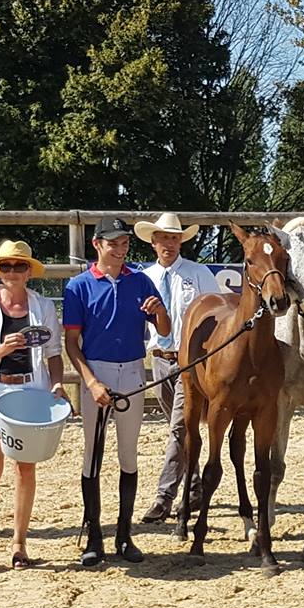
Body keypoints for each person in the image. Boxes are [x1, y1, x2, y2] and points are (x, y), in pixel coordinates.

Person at [63, 217, 171, 566]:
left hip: (133, 370)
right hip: (97, 369)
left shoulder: (140, 281)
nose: (120, 250)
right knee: (92, 457)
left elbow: (164, 329)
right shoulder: (78, 286)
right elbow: (71, 342)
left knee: (128, 453)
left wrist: (160, 311)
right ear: (97, 244)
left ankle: (124, 534)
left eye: (124, 244)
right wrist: (91, 382)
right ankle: (94, 534)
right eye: (113, 244)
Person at [0, 240, 67, 575]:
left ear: (28, 272)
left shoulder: (43, 306)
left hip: (31, 392)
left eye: (19, 266)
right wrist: (1, 350)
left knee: (25, 468)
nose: (12, 272)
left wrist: (57, 383)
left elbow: (53, 351)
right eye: (6, 266)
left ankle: (20, 543)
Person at [135, 213, 220, 522]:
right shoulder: (144, 278)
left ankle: (164, 496)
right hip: (159, 358)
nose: (168, 243)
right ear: (153, 242)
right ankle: (195, 485)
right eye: (163, 238)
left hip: (192, 364)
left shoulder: (198, 274)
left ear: (181, 241)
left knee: (178, 427)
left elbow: (217, 315)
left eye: (174, 238)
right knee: (183, 429)